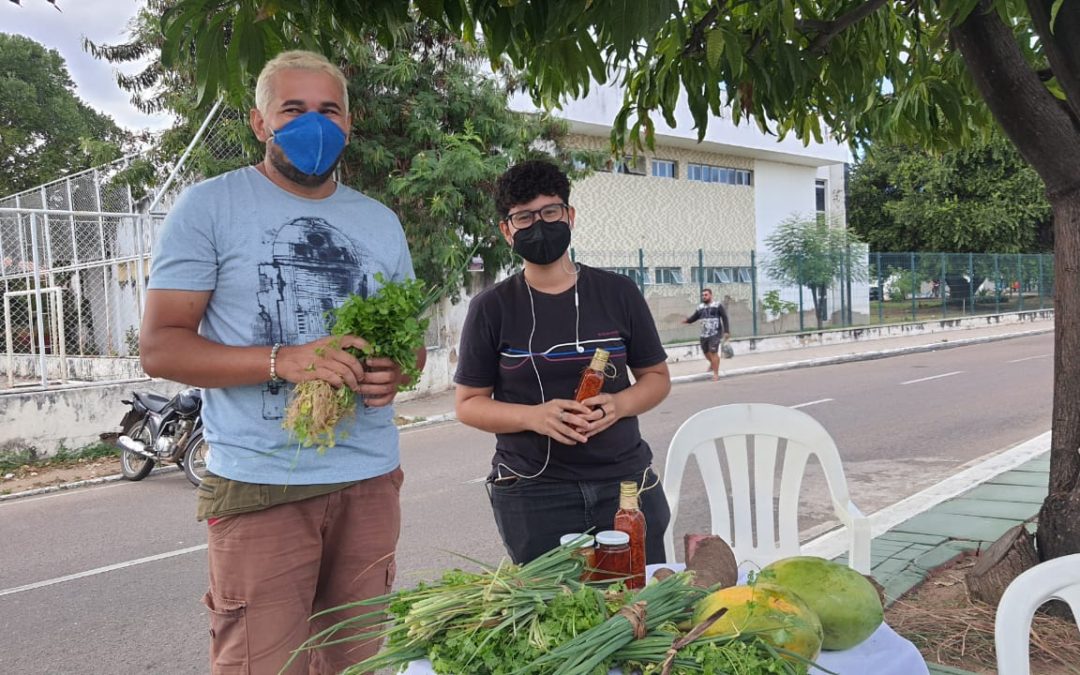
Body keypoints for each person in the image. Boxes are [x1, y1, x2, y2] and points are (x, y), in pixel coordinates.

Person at [139, 51, 424, 674]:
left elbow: (413, 347)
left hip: (369, 478)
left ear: (348, 124)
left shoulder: (380, 222)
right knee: (263, 665)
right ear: (260, 122)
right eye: (293, 109)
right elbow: (160, 346)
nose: (313, 123)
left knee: (361, 663)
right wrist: (283, 360)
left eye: (328, 110)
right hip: (262, 482)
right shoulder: (209, 207)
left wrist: (395, 369)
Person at [454, 159, 673, 566]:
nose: (539, 224)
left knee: (643, 609)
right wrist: (534, 417)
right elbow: (468, 403)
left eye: (550, 212)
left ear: (569, 216)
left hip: (624, 485)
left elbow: (656, 378)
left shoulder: (618, 293)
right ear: (507, 230)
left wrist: (619, 404)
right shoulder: (492, 308)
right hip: (533, 492)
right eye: (524, 217)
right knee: (558, 621)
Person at [683, 288, 730, 381]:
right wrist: (687, 321)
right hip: (704, 334)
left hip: (715, 333)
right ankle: (713, 364)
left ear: (710, 295)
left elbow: (724, 318)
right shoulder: (700, 307)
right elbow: (695, 317)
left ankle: (716, 374)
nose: (704, 297)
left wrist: (726, 331)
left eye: (706, 295)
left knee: (713, 352)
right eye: (703, 295)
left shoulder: (717, 305)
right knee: (706, 353)